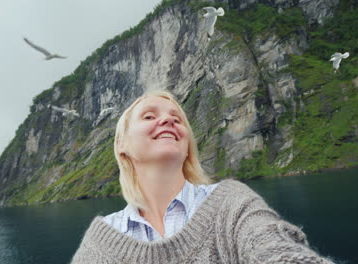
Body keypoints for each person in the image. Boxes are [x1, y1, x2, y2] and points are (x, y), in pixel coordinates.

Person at [71, 90, 335, 263]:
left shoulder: (232, 203)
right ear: (122, 145)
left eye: (178, 118)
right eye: (150, 115)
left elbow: (272, 247)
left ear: (187, 145)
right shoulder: (100, 242)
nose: (168, 121)